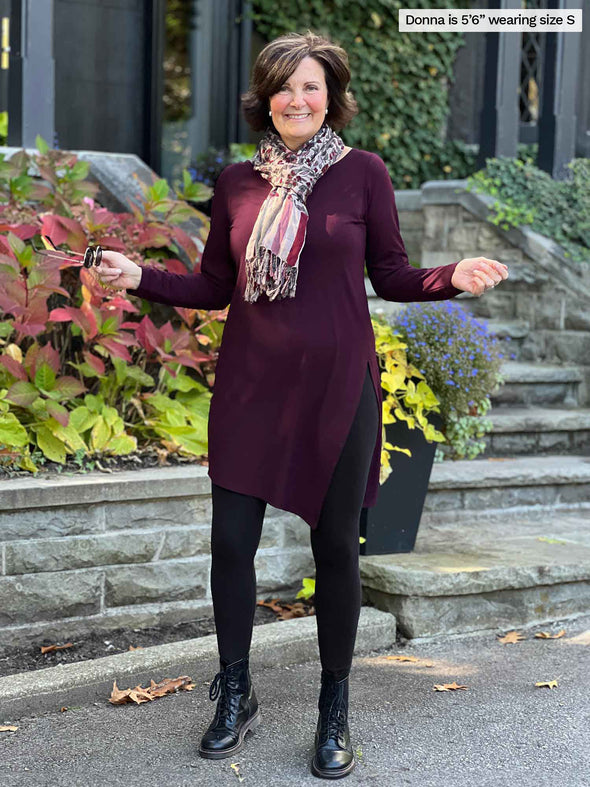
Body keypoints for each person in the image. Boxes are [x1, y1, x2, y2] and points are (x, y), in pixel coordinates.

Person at [93, 31, 508, 780]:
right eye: (284, 86)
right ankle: (236, 692)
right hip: (252, 386)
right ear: (266, 97)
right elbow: (216, 285)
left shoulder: (363, 175)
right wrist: (137, 276)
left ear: (332, 96)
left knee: (337, 550)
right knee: (229, 545)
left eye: (311, 86)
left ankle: (334, 705)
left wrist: (452, 276)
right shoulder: (236, 184)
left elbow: (390, 273)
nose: (297, 99)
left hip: (338, 390)